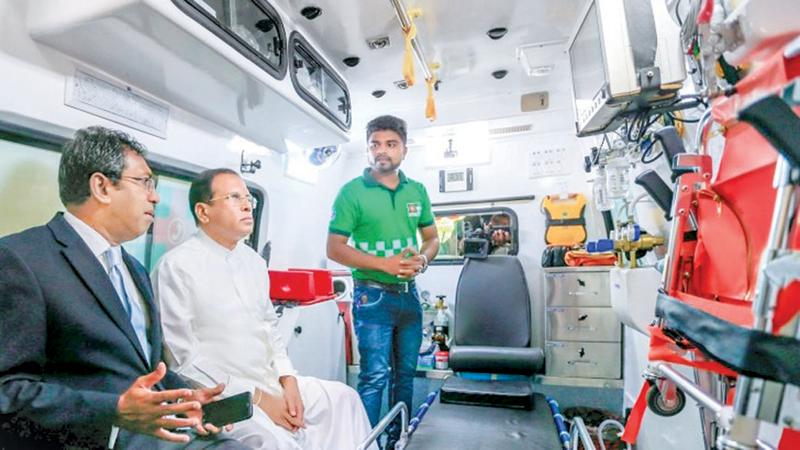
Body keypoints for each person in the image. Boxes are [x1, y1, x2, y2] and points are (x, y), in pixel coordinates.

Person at [0, 126, 245, 449]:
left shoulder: (135, 270)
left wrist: (185, 399)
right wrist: (114, 411)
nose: (155, 196)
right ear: (101, 186)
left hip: (158, 432)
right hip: (96, 438)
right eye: (144, 182)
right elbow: (8, 389)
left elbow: (146, 367)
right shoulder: (22, 259)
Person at [152, 168, 375, 450]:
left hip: (270, 380)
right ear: (203, 211)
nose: (247, 205)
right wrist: (258, 398)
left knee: (343, 399)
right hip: (223, 396)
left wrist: (288, 378)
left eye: (248, 198)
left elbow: (269, 328)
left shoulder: (254, 262)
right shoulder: (176, 267)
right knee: (274, 441)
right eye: (234, 197)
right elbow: (182, 360)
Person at [326, 115, 440, 448]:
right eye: (375, 144)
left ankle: (397, 439)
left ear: (404, 149)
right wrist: (385, 266)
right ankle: (365, 443)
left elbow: (432, 238)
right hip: (371, 298)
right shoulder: (351, 192)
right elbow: (334, 248)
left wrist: (422, 259)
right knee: (375, 377)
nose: (382, 151)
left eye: (390, 144)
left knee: (406, 375)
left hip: (409, 297)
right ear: (367, 149)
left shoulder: (416, 191)